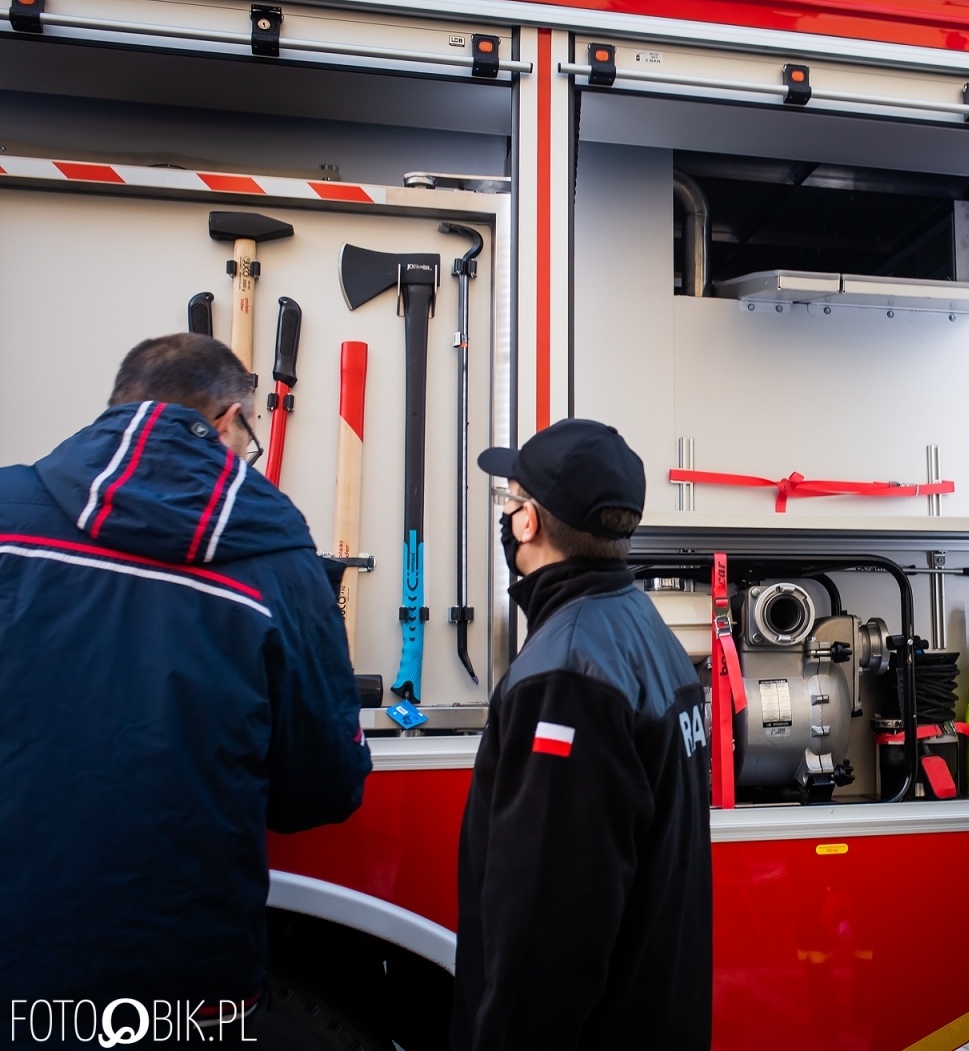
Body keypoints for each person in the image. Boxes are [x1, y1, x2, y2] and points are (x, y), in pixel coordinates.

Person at [0, 334, 370, 1016]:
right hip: (179, 978)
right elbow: (321, 789)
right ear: (228, 419)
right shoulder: (279, 560)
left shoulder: (7, 512)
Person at [452, 419, 711, 1051]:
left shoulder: (566, 675)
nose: (506, 513)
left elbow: (549, 927)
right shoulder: (643, 630)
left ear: (527, 522)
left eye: (509, 499)